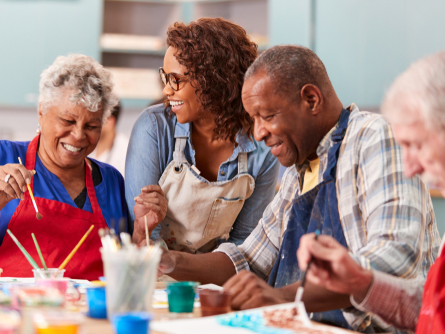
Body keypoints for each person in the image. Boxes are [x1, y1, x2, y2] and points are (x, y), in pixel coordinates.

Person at [155, 45, 440, 332]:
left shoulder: (373, 137)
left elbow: (396, 259)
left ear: (311, 99)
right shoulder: (298, 170)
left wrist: (283, 298)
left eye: (266, 116)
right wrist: (167, 260)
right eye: (253, 119)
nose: (258, 133)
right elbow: (250, 260)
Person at [296, 51, 445, 333]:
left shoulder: (372, 135)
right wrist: (360, 282)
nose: (410, 168)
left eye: (416, 145)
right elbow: (430, 310)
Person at [0, 54, 128, 280]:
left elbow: (126, 270)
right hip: (6, 311)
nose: (79, 135)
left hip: (86, 314)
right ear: (41, 112)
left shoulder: (112, 182)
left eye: (91, 125)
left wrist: (142, 230)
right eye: (68, 121)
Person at [126, 18, 280, 252]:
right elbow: (145, 238)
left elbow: (245, 246)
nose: (166, 90)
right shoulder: (153, 128)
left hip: (216, 280)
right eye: (165, 77)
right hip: (155, 277)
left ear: (214, 80)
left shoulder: (261, 146)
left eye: (176, 79)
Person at [89, 102, 129, 176]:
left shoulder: (126, 155)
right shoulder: (87, 146)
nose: (89, 124)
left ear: (109, 122)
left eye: (94, 119)